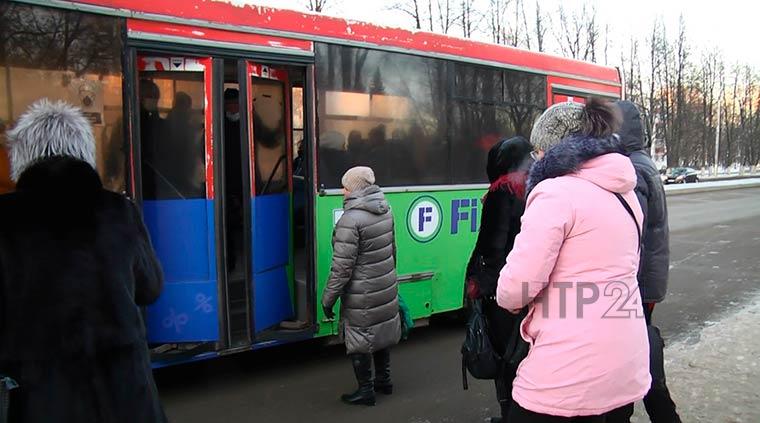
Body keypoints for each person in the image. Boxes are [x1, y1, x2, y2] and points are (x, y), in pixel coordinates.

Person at [0, 99, 166, 422]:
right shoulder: (119, 211)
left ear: (20, 157)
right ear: (85, 152)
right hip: (126, 398)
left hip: (41, 401)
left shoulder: (5, 222)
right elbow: (151, 289)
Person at [497, 98, 651, 421]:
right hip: (625, 364)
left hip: (568, 375)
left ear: (552, 150)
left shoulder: (555, 194)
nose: (534, 158)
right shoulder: (625, 195)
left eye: (537, 151)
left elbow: (515, 288)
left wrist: (520, 297)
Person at [616, 100, 681, 422]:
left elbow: (631, 234)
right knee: (637, 354)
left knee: (635, 359)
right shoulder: (641, 162)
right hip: (646, 281)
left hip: (637, 284)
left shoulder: (633, 169)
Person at [466, 136, 534, 422]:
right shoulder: (536, 189)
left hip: (502, 289)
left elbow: (492, 246)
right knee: (523, 353)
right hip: (529, 286)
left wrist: (477, 283)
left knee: (503, 355)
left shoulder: (500, 192)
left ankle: (508, 412)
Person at [322, 166, 401, 407]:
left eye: (345, 187)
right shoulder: (386, 209)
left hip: (361, 293)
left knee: (358, 338)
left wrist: (328, 299)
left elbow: (341, 268)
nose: (342, 191)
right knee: (379, 332)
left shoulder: (351, 220)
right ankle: (384, 380)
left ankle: (366, 390)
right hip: (384, 284)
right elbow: (392, 251)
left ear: (354, 189)